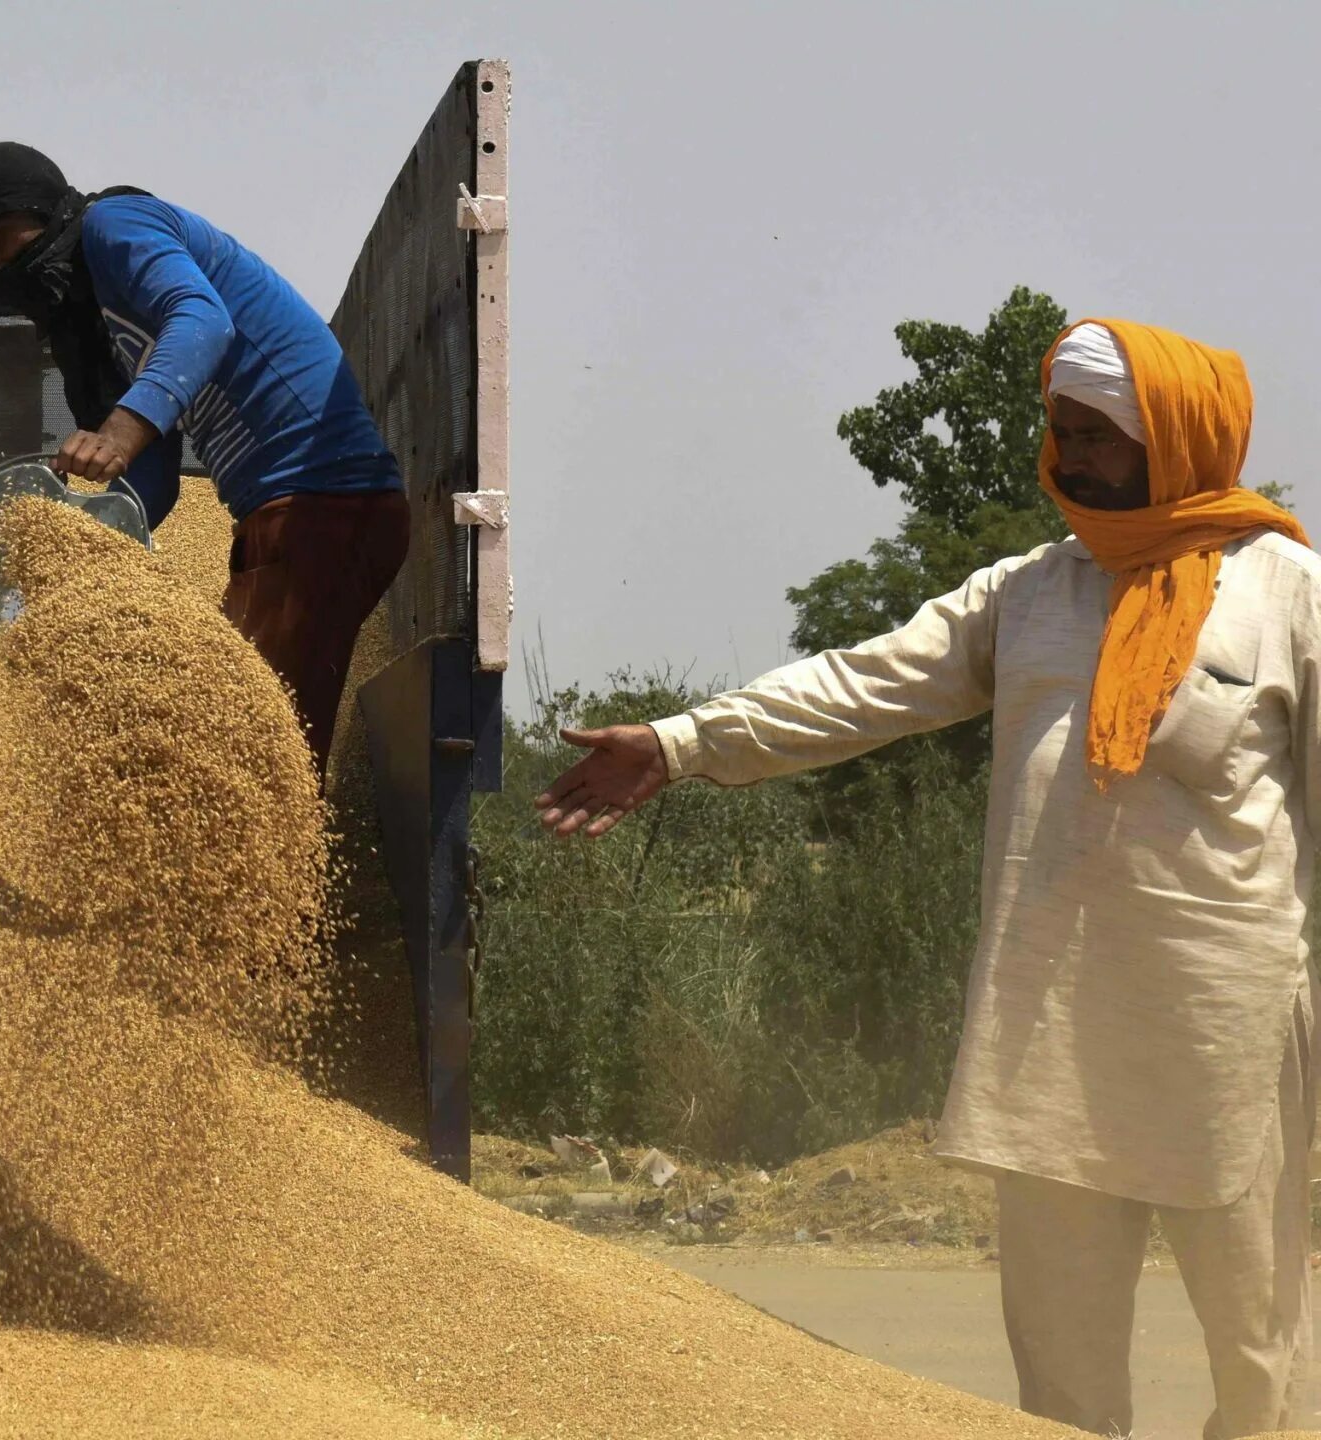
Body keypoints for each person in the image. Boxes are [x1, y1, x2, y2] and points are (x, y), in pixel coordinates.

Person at [537, 319, 1318, 1439]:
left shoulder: (1287, 592)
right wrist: (679, 742)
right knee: (1058, 1375)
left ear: (1175, 436)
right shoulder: (1030, 592)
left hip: (1222, 1032)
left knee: (1256, 1355)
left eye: (1092, 434)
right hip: (1049, 1029)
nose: (1065, 455)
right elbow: (861, 685)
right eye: (1057, 429)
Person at [0, 142, 408, 776]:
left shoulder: (115, 225)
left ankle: (263, 876)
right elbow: (145, 488)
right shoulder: (93, 324)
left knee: (247, 762)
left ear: (39, 210)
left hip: (327, 504)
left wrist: (121, 430)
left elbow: (204, 319)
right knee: (223, 742)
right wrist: (64, 563)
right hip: (277, 526)